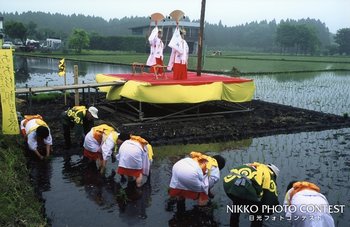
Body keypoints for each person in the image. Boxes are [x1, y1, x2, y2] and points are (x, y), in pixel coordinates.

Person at [223, 162, 279, 227]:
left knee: (237, 203)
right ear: (274, 174)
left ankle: (233, 225)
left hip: (228, 185)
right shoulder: (269, 176)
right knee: (258, 212)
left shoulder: (253, 166)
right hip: (243, 188)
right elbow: (271, 199)